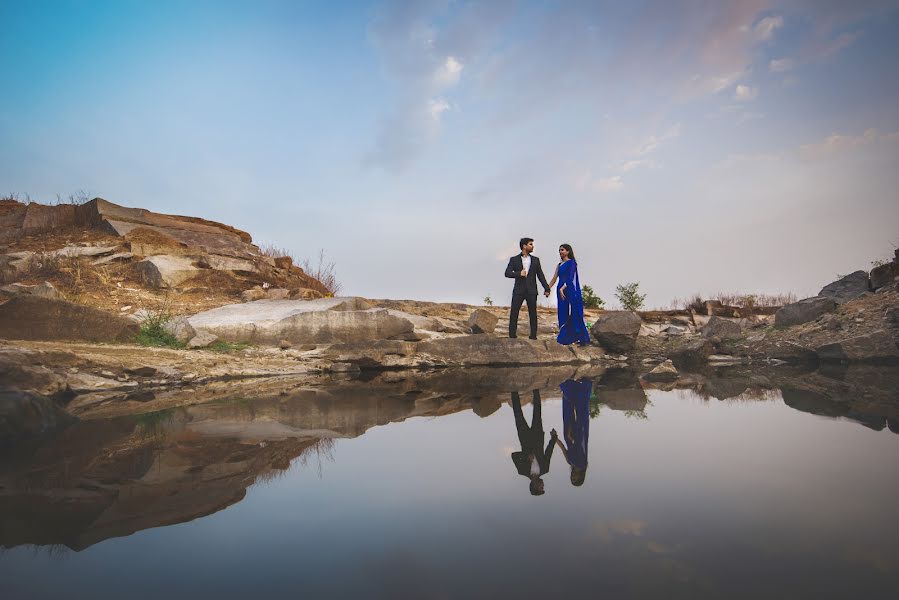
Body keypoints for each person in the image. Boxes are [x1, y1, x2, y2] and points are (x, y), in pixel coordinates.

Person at [510, 390, 558, 496]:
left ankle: (514, 392)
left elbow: (513, 456)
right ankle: (536, 391)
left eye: (541, 487)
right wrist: (554, 438)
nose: (543, 485)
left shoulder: (522, 471)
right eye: (543, 487)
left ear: (534, 486)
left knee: (518, 415)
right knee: (537, 413)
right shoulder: (545, 469)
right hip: (538, 437)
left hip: (524, 437)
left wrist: (526, 456)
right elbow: (548, 452)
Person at [504, 237, 551, 340]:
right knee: (514, 313)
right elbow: (507, 273)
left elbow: (540, 275)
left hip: (531, 291)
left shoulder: (535, 260)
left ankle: (533, 336)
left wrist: (547, 288)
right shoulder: (514, 259)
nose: (532, 246)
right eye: (530, 244)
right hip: (518, 290)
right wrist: (518, 274)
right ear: (524, 246)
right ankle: (512, 336)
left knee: (533, 314)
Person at [548, 243, 591, 346]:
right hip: (560, 290)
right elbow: (554, 278)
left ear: (568, 251)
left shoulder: (572, 263)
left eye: (562, 250)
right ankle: (565, 337)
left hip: (569, 289)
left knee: (575, 311)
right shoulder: (559, 265)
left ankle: (580, 337)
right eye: (559, 250)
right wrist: (547, 288)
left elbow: (571, 277)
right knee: (562, 312)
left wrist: (563, 288)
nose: (560, 252)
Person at [555, 378, 592, 487]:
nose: (572, 477)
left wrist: (554, 439)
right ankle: (579, 387)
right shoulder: (581, 464)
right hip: (577, 436)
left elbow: (563, 449)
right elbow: (580, 447)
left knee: (570, 414)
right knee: (579, 414)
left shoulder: (571, 463)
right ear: (580, 477)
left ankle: (570, 388)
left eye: (572, 479)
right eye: (575, 479)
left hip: (570, 436)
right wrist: (570, 435)